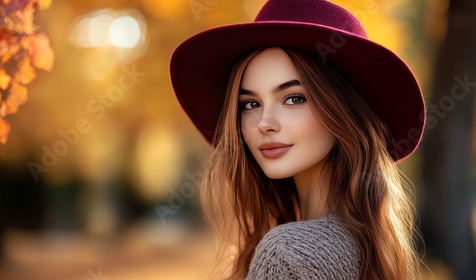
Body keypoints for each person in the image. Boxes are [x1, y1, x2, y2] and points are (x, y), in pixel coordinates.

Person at [170, 0, 426, 279]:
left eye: (294, 98)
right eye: (250, 104)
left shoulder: (288, 254)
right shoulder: (369, 244)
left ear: (345, 112)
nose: (265, 123)